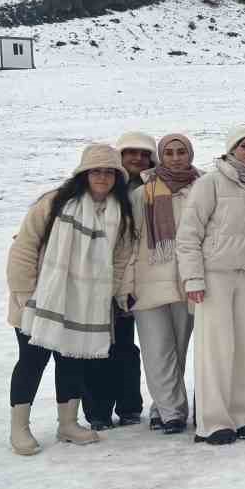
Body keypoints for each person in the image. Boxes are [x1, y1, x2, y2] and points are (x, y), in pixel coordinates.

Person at [6, 144, 137, 455]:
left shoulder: (120, 212)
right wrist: (25, 295)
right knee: (31, 362)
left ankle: (67, 423)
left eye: (109, 172)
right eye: (96, 171)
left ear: (117, 177)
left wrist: (114, 295)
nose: (102, 177)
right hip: (41, 300)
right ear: (83, 174)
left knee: (72, 364)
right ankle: (19, 428)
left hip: (83, 304)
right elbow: (24, 247)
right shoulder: (54, 203)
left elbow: (121, 259)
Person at [175, 125, 245, 446]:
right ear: (232, 149)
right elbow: (189, 235)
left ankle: (243, 415)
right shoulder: (209, 184)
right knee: (216, 349)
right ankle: (213, 422)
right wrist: (193, 278)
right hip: (214, 276)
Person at [84, 131, 158, 427]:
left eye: (143, 154)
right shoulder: (100, 187)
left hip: (137, 278)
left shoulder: (155, 186)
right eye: (131, 153)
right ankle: (98, 410)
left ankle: (129, 406)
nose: (137, 159)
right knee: (97, 346)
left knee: (126, 347)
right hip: (96, 279)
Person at [133, 133, 202, 435]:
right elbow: (128, 241)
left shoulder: (202, 188)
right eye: (170, 153)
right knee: (156, 349)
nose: (176, 158)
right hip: (149, 280)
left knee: (178, 348)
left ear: (190, 154)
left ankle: (162, 406)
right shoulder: (142, 193)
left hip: (187, 280)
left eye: (181, 152)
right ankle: (172, 412)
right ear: (161, 156)